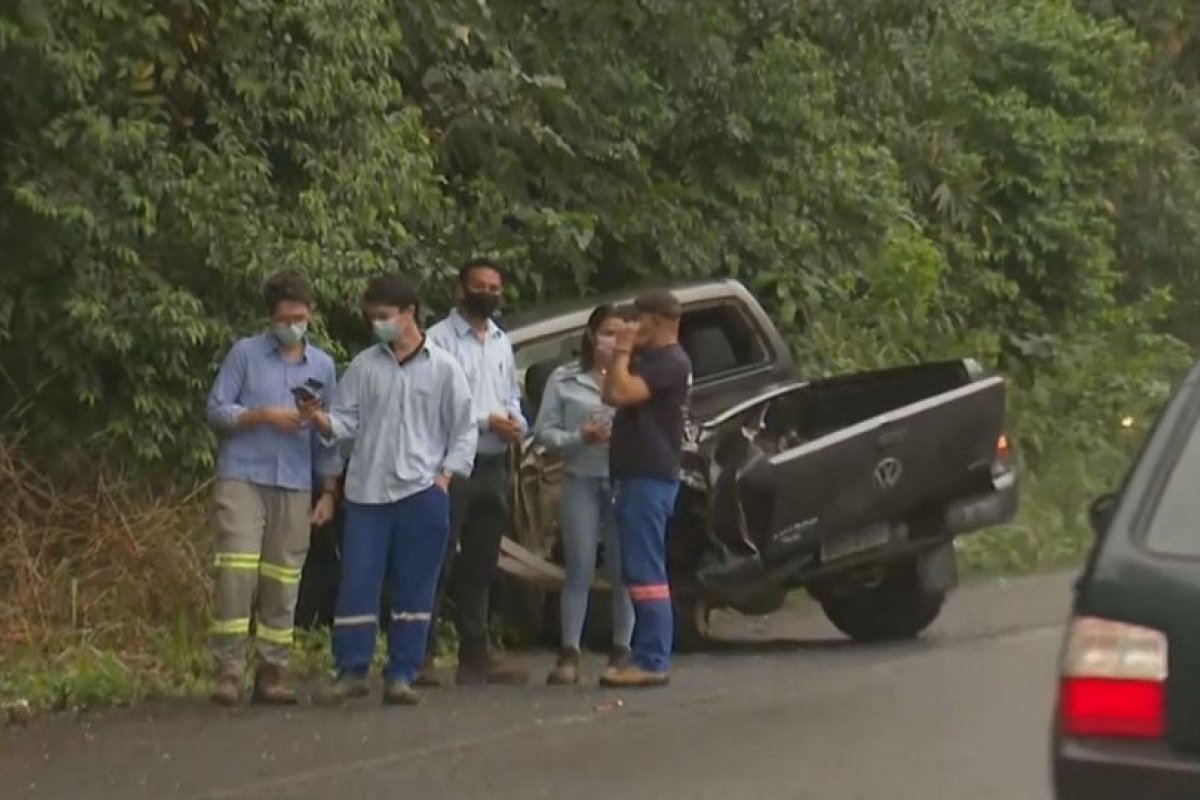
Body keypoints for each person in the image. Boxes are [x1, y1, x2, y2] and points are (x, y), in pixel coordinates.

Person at [305, 273, 476, 706]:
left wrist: (445, 478)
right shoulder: (364, 366)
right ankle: (351, 669)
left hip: (421, 491)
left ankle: (402, 672)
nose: (377, 325)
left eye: (383, 317)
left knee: (416, 586)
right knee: (358, 582)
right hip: (367, 492)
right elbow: (346, 424)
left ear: (408, 314)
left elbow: (463, 430)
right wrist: (319, 419)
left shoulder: (443, 367)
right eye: (372, 318)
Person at [205, 270, 342, 706]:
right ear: (271, 318)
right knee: (237, 571)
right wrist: (261, 415)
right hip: (243, 474)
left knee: (284, 577)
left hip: (296, 480)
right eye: (285, 318)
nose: (293, 325)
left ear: (311, 314)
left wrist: (329, 491)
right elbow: (217, 409)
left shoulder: (322, 366)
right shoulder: (245, 354)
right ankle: (228, 670)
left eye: (300, 317)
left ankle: (271, 671)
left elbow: (330, 434)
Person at [422, 257, 529, 686]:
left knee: (482, 562)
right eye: (479, 286)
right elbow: (437, 405)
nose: (488, 293)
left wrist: (517, 422)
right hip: (452, 463)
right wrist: (488, 420)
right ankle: (422, 654)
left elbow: (511, 397)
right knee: (438, 559)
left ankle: (475, 652)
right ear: (460, 290)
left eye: (495, 287)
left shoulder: (502, 340)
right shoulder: (438, 340)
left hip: (493, 462)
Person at [533, 304, 636, 685]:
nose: (614, 341)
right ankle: (569, 651)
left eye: (623, 334)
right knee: (579, 566)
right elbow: (544, 433)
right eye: (609, 332)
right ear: (592, 335)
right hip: (580, 478)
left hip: (624, 480)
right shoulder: (565, 379)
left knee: (625, 569)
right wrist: (580, 437)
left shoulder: (636, 375)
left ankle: (622, 649)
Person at [600, 290, 692, 688]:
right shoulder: (650, 361)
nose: (631, 326)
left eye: (638, 319)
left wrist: (620, 351)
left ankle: (654, 658)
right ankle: (642, 652)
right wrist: (620, 358)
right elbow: (610, 394)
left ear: (656, 321)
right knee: (636, 569)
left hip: (650, 475)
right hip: (634, 473)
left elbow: (622, 393)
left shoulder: (670, 362)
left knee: (646, 569)